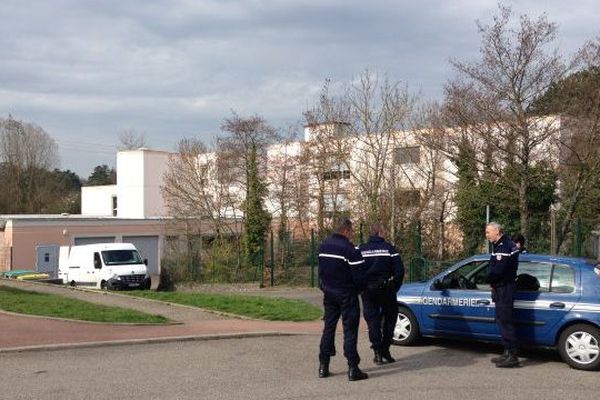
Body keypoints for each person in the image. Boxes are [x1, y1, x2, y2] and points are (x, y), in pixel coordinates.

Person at [318, 218, 369, 381]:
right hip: (347, 294)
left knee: (329, 328)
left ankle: (323, 366)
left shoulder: (323, 246)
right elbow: (360, 277)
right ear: (346, 231)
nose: (353, 234)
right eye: (352, 231)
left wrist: (325, 287)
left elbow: (321, 272)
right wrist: (358, 290)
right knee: (350, 330)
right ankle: (353, 368)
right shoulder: (350, 250)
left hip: (329, 293)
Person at [359, 223, 404, 365]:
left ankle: (377, 351)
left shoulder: (360, 249)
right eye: (383, 231)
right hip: (386, 288)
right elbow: (400, 271)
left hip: (367, 289)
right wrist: (394, 287)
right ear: (380, 233)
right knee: (390, 318)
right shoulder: (389, 249)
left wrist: (360, 287)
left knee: (372, 320)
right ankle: (385, 348)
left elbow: (354, 269)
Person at [485, 222, 520, 368]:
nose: (486, 235)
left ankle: (512, 356)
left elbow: (498, 270)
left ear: (497, 231)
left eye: (488, 232)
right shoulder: (502, 245)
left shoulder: (504, 246)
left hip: (504, 288)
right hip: (502, 287)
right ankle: (506, 352)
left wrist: (487, 279)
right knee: (501, 320)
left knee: (505, 321)